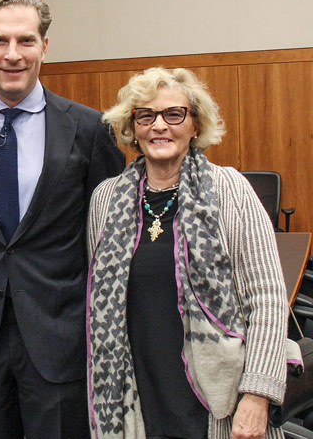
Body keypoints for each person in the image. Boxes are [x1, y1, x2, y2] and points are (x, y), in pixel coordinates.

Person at [0, 0, 124, 438]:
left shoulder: (89, 128)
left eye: (26, 41)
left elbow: (107, 233)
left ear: (44, 46)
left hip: (59, 333)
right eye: (0, 40)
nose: (12, 54)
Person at [87, 67, 287, 439]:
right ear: (133, 127)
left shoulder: (231, 190)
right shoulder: (106, 199)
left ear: (195, 125)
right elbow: (98, 306)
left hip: (218, 403)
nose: (159, 125)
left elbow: (267, 298)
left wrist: (258, 394)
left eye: (173, 114)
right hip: (139, 397)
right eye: (146, 116)